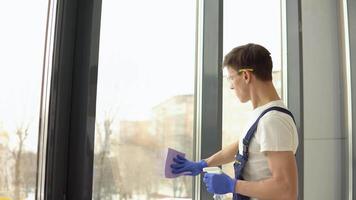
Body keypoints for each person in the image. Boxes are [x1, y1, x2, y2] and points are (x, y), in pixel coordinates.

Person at [170, 43, 299, 200]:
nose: (230, 86)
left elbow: (286, 189)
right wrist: (204, 163)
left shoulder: (273, 121)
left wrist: (233, 185)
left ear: (246, 76)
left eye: (231, 78)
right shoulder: (262, 115)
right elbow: (244, 145)